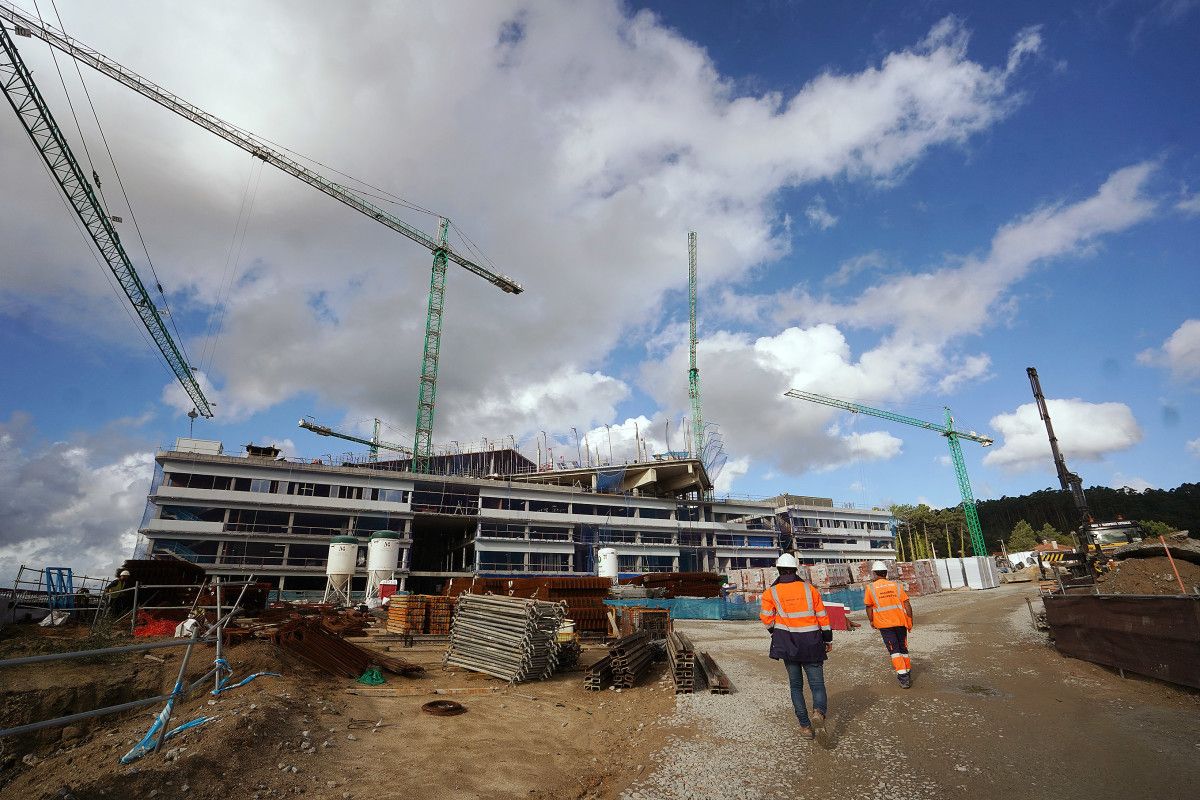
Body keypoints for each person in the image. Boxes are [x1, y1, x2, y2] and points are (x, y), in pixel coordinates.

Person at [760, 553, 833, 741]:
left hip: (788, 645)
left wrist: (776, 632)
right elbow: (822, 616)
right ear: (795, 569)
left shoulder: (771, 592)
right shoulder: (810, 589)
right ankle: (818, 712)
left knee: (796, 687)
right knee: (817, 685)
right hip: (812, 642)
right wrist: (827, 639)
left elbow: (766, 618)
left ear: (778, 569)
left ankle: (805, 726)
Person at [863, 560, 914, 688]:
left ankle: (903, 677)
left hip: (885, 625)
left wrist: (871, 620)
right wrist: (910, 620)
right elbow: (907, 604)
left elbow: (868, 607)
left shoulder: (870, 588)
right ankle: (907, 671)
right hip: (900, 622)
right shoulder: (896, 586)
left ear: (874, 574)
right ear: (886, 572)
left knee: (894, 651)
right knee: (903, 647)